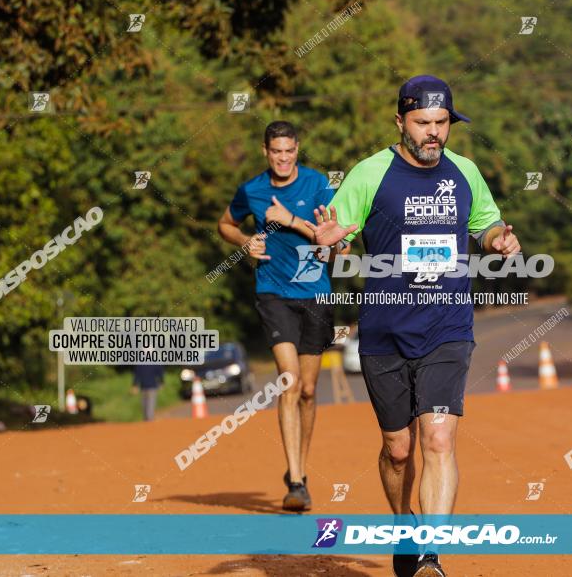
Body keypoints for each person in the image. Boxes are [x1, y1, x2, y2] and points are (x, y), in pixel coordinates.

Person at [306, 76, 520, 577]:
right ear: (400, 122)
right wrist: (331, 242)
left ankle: (430, 557)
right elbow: (336, 236)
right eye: (423, 123)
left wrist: (498, 241)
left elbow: (485, 225)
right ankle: (404, 525)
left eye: (442, 123)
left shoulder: (465, 172)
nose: (433, 133)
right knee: (398, 449)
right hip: (385, 331)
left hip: (448, 326)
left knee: (438, 439)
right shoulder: (370, 173)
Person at [217, 121, 338, 511]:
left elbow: (337, 247)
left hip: (315, 294)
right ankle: (298, 482)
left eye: (289, 151)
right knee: (289, 381)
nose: (283, 158)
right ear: (265, 152)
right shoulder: (251, 190)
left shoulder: (319, 184)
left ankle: (298, 467)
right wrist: (245, 240)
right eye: (276, 151)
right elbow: (225, 224)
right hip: (273, 293)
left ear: (297, 149)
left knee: (307, 390)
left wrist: (290, 221)